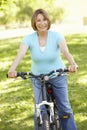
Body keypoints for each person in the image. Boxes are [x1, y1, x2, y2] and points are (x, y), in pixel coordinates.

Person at [8, 9, 78, 130]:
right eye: (38, 20)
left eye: (44, 19)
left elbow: (65, 51)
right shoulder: (28, 39)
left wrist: (73, 64)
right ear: (34, 23)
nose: (42, 23)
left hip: (57, 75)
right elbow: (20, 54)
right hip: (37, 78)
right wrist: (12, 70)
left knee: (64, 108)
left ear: (48, 21)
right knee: (40, 110)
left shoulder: (57, 36)